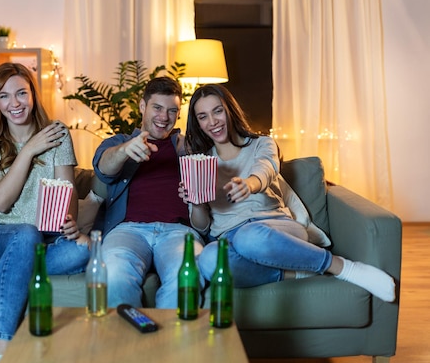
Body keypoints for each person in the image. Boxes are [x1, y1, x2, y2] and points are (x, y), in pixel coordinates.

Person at [181, 83, 396, 302]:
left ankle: (342, 267)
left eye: (217, 111)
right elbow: (202, 226)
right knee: (208, 259)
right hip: (229, 238)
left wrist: (250, 184)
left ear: (229, 110)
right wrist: (196, 203)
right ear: (197, 123)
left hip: (275, 229)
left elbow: (266, 168)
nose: (212, 121)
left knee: (250, 237)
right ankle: (295, 272)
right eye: (203, 116)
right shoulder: (200, 164)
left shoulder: (261, 144)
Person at [0, 62, 90, 363]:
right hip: (5, 235)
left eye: (21, 93)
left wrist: (69, 219)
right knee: (26, 234)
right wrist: (28, 150)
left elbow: (67, 195)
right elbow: (0, 202)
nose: (14, 103)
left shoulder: (57, 134)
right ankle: (2, 347)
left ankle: (7, 267)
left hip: (49, 237)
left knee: (83, 252)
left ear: (33, 95)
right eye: (4, 96)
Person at [92, 76, 204, 309]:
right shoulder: (119, 142)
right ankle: (130, 342)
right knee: (112, 275)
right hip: (127, 230)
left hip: (179, 232)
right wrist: (125, 150)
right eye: (157, 108)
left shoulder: (189, 146)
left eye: (172, 110)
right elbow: (104, 168)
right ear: (143, 107)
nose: (164, 117)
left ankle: (171, 344)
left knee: (187, 277)